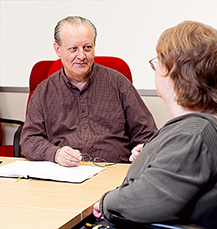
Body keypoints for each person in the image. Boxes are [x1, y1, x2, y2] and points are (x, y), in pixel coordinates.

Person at [93, 21, 217, 224]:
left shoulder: (191, 137)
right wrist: (152, 153)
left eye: (157, 63)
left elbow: (146, 201)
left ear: (172, 70)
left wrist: (105, 202)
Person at [20, 16, 157, 167]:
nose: (81, 56)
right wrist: (55, 154)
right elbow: (29, 140)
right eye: (73, 49)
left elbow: (147, 133)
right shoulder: (44, 91)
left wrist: (141, 150)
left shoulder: (118, 83)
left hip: (114, 173)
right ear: (58, 50)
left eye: (87, 48)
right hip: (65, 175)